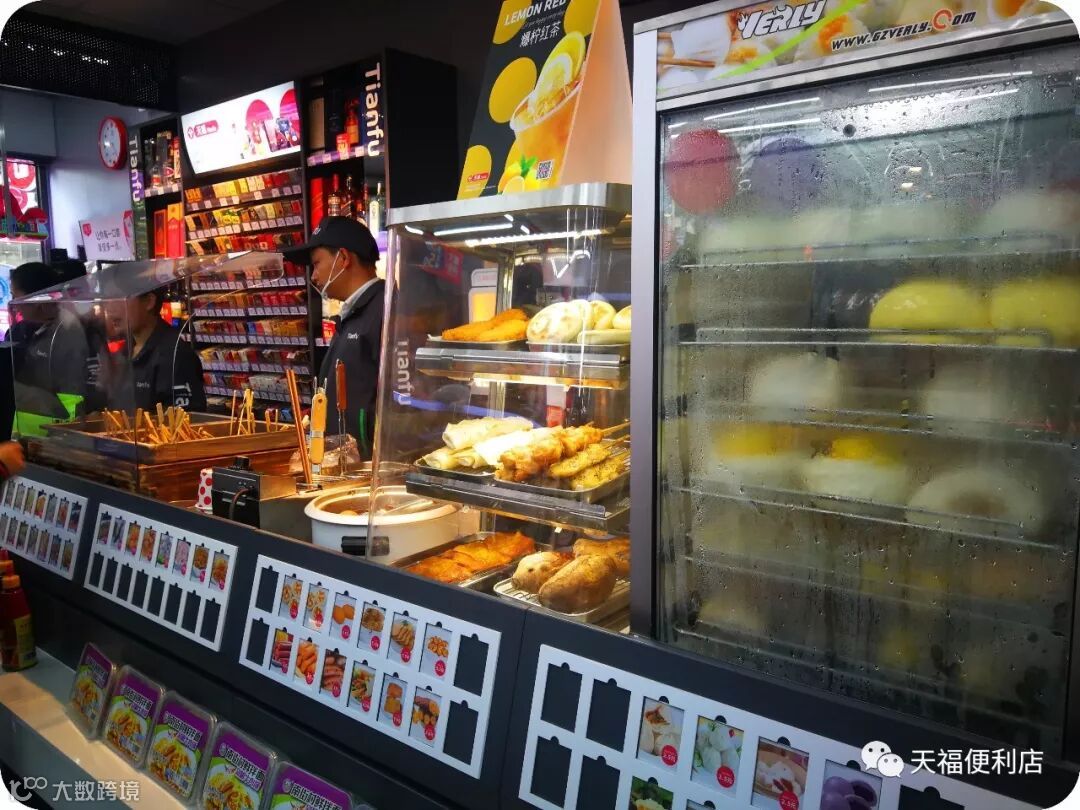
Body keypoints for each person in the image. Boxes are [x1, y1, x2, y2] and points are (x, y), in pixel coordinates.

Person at [286, 217, 384, 456]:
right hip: (347, 464)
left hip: (369, 467)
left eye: (316, 263)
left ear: (343, 258)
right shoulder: (353, 313)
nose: (313, 277)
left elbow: (399, 403)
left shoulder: (385, 311)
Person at [101, 288, 206, 413]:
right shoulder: (124, 352)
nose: (110, 308)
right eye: (107, 299)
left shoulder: (176, 356)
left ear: (149, 302)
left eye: (119, 297)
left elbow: (185, 420)